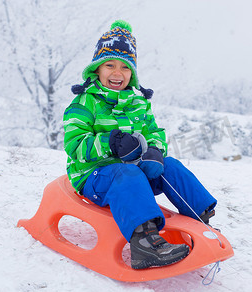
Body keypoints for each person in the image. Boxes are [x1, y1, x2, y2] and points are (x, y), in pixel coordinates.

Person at [63, 20, 217, 269]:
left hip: (134, 174)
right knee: (126, 172)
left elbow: (154, 131)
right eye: (110, 64)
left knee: (171, 166)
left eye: (125, 67)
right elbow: (74, 146)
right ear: (97, 68)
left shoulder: (138, 102)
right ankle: (144, 244)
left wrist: (155, 151)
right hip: (94, 176)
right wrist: (109, 142)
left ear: (132, 73)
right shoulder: (84, 103)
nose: (117, 72)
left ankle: (200, 219)